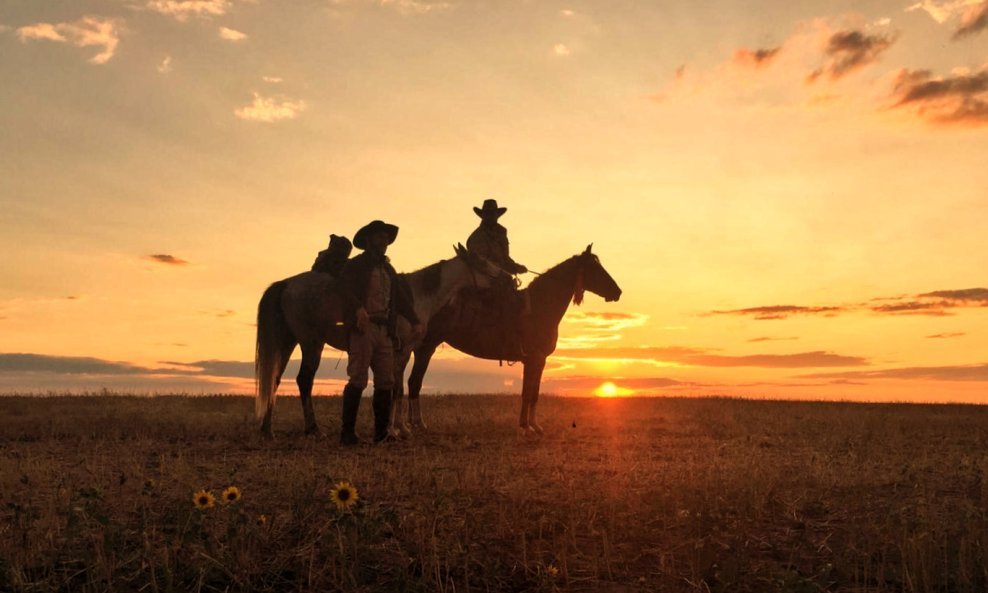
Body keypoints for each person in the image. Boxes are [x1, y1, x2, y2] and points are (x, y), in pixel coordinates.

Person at [336, 220, 422, 445]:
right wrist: (357, 308)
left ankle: (382, 433)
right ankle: (347, 433)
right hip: (363, 329)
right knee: (358, 379)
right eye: (380, 236)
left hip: (385, 330)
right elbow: (343, 289)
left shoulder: (388, 270)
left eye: (386, 237)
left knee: (386, 380)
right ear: (369, 240)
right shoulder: (355, 266)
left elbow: (400, 299)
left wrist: (415, 320)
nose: (384, 241)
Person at [466, 199, 527, 275]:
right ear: (483, 216)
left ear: (496, 215)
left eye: (492, 213)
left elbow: (505, 258)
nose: (490, 216)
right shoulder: (477, 237)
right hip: (485, 279)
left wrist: (516, 267)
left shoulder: (501, 232)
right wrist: (513, 268)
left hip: (501, 276)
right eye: (487, 213)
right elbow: (481, 264)